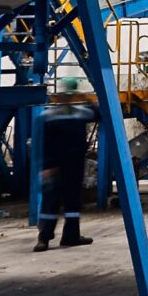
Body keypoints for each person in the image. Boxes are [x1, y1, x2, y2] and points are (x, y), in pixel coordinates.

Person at [34, 69, 96, 251]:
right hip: (54, 166)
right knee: (50, 204)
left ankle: (71, 236)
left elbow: (100, 114)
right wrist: (45, 167)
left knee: (72, 203)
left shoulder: (79, 113)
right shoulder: (49, 116)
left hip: (74, 166)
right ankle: (43, 238)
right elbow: (42, 144)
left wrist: (90, 98)